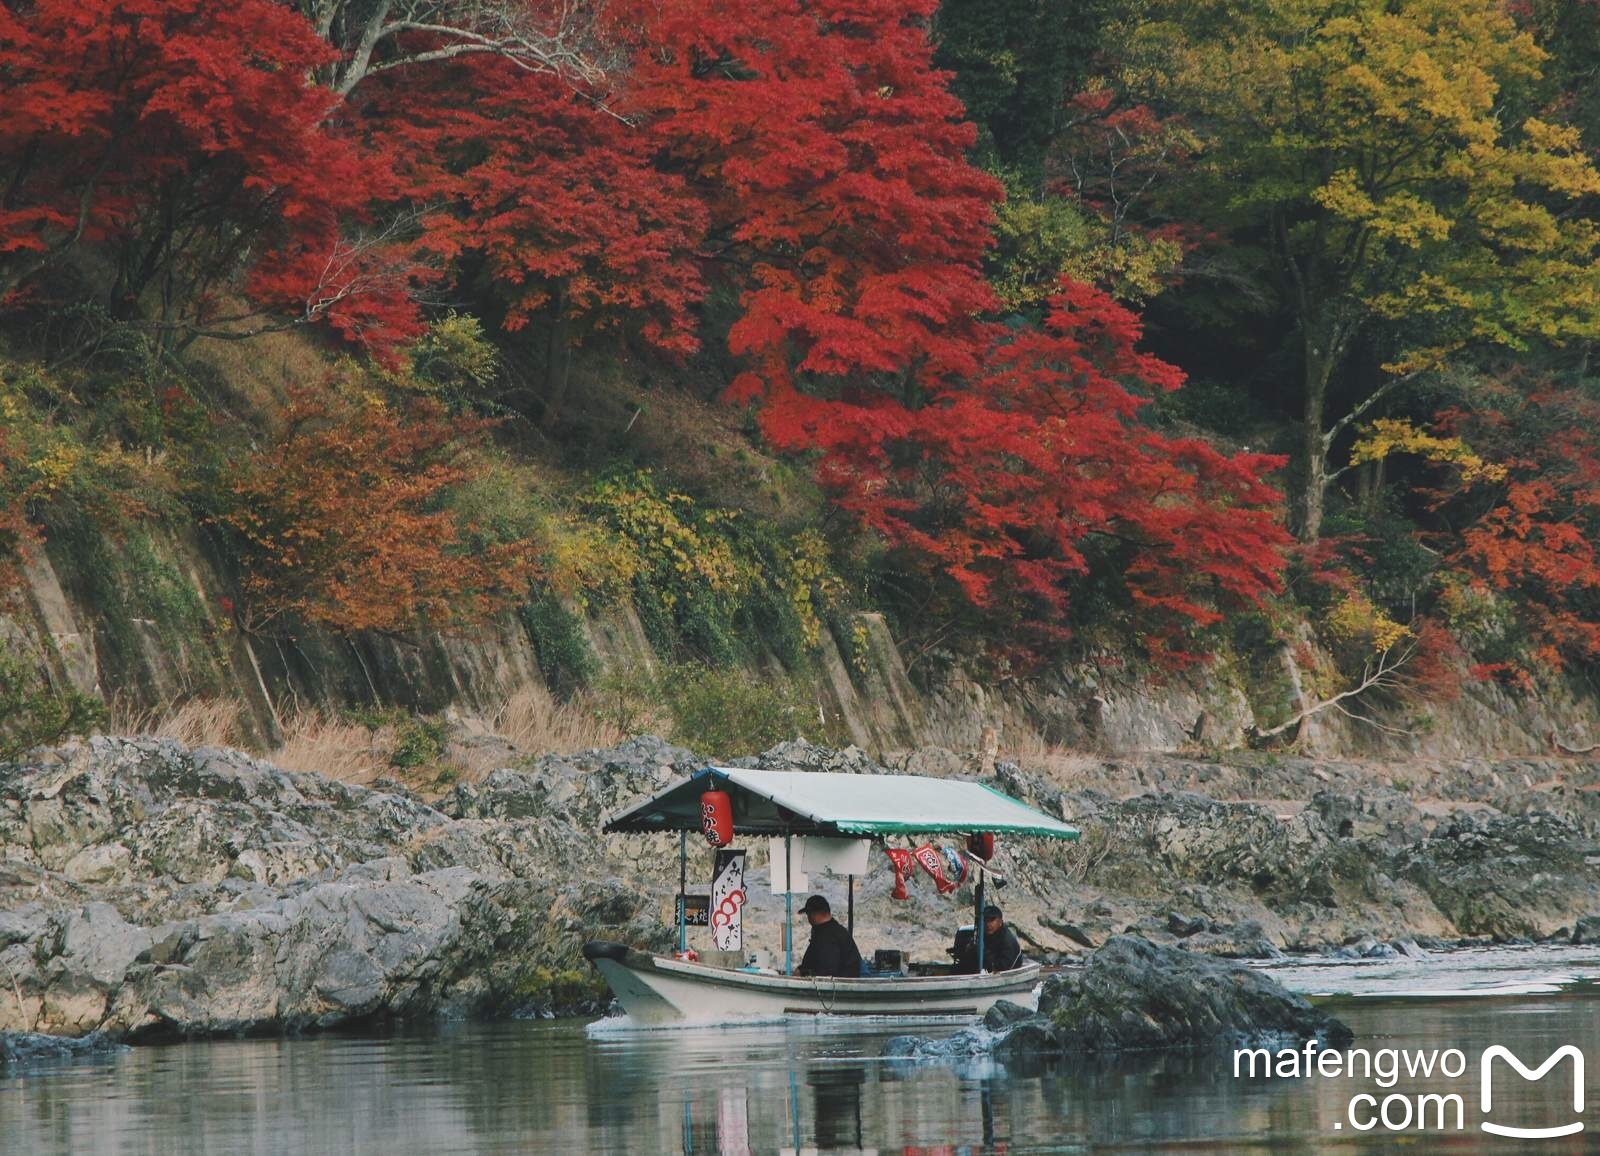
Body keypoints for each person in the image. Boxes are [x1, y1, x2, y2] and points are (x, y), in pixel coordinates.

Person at [795, 894, 862, 978]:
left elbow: (827, 970)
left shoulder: (829, 936)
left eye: (808, 914)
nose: (808, 919)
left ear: (814, 914)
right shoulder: (831, 930)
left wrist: (803, 972)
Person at [953, 905, 1023, 973]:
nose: (988, 924)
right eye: (985, 920)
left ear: (1000, 922)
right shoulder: (982, 933)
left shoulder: (1007, 941)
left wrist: (983, 951)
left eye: (992, 920)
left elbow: (1003, 967)